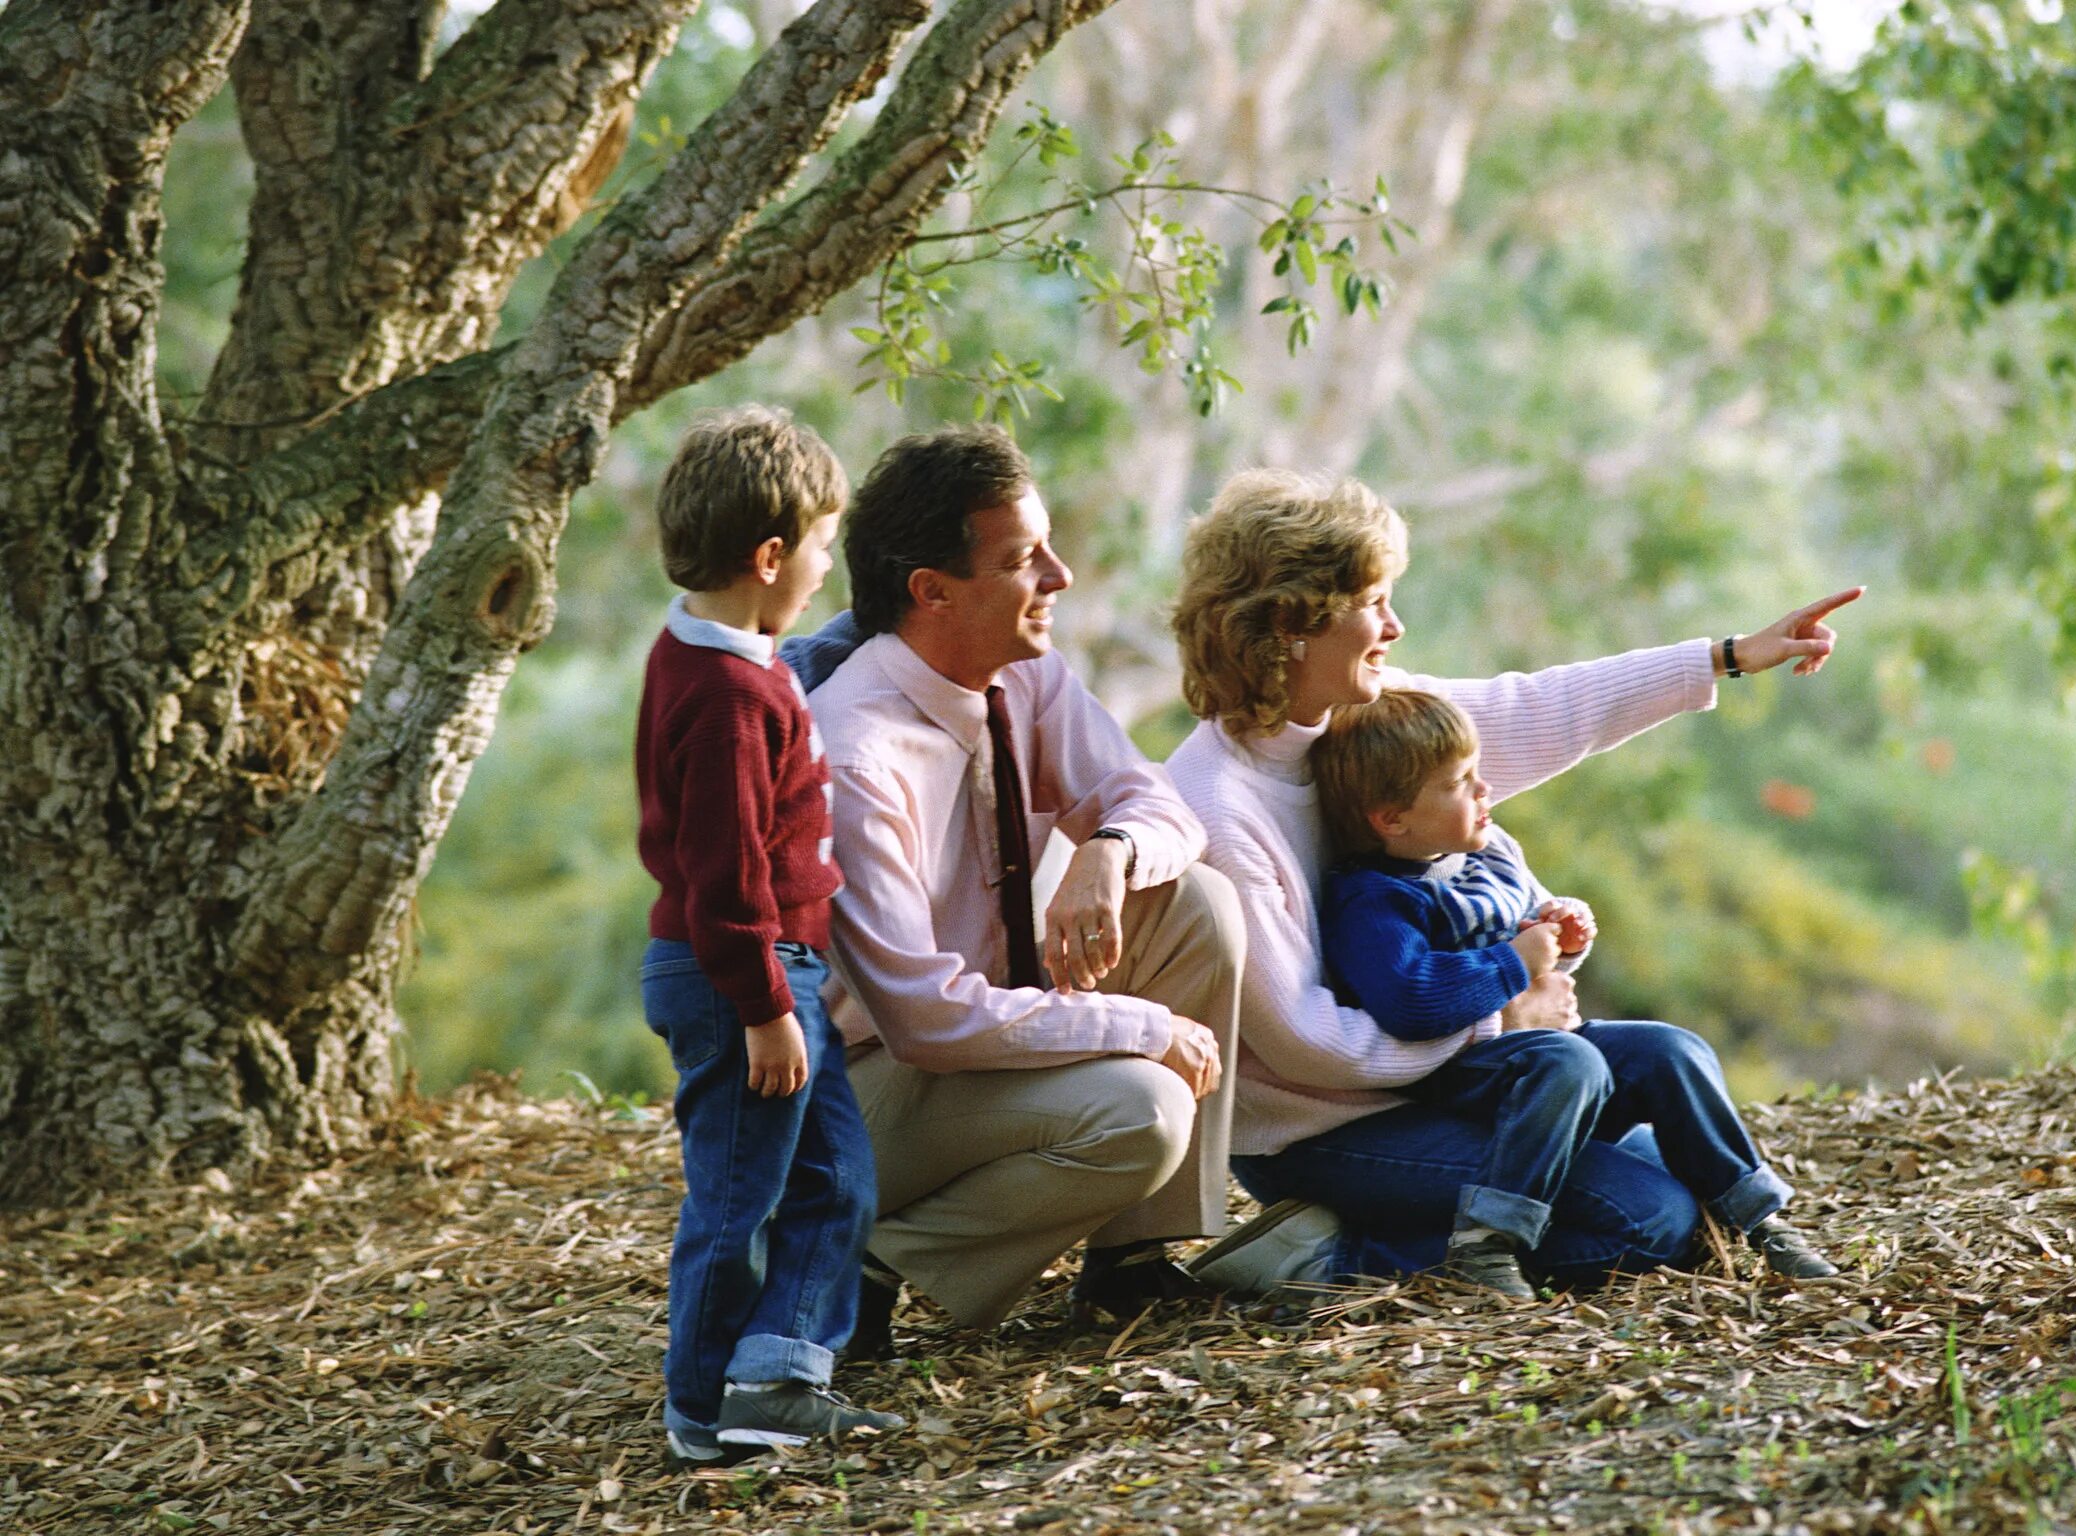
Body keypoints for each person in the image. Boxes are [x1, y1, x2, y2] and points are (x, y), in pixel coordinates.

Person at [1168, 468, 1859, 1297]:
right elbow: (1309, 1041)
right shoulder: (1218, 804)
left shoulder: (1364, 711)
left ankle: (1489, 1202)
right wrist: (1502, 1015)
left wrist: (1728, 657)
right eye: (1372, 602)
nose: (1393, 625)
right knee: (1651, 1222)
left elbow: (1535, 708)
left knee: (1667, 1124)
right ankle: (1328, 1255)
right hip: (1326, 1130)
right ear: (1290, 624)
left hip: (1453, 1080)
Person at [801, 425, 1245, 1345]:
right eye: (1021, 559)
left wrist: (1108, 852)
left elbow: (1158, 806)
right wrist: (1144, 1027)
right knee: (1142, 1109)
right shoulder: (857, 752)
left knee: (1198, 905)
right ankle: (868, 1262)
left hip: (969, 1043)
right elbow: (924, 1021)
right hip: (865, 1091)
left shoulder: (1022, 675)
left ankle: (1133, 1262)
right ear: (931, 591)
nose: (1059, 575)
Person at [1308, 687, 1837, 1292]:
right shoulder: (1373, 899)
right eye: (1458, 783)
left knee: (1671, 1051)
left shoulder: (1479, 859)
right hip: (1448, 1080)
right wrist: (1515, 960)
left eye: (1478, 773)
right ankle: (1485, 1244)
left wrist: (1557, 934)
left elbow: (1525, 951)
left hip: (1531, 1056)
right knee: (1571, 1063)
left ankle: (1758, 1217)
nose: (1484, 792)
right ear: (1391, 818)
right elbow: (1410, 999)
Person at [633, 408, 905, 1467]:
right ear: (771, 556)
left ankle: (779, 1376)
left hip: (771, 974)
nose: (827, 573)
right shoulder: (730, 695)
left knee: (837, 1180)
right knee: (738, 1198)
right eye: (825, 549)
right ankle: (702, 1407)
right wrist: (764, 1009)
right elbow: (725, 874)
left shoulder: (714, 647)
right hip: (739, 979)